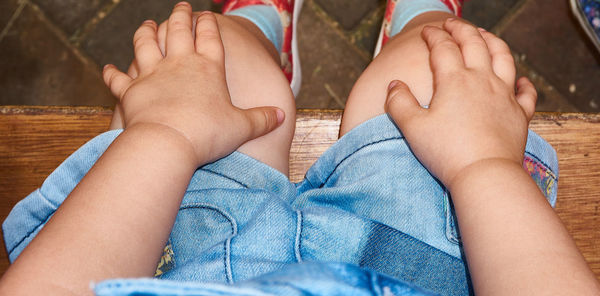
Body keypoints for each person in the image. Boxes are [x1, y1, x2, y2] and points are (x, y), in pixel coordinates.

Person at [1, 0, 599, 295]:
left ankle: (260, 26)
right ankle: (420, 17)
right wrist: (483, 164)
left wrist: (166, 133)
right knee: (441, 58)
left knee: (214, 53)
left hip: (186, 265)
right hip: (424, 270)